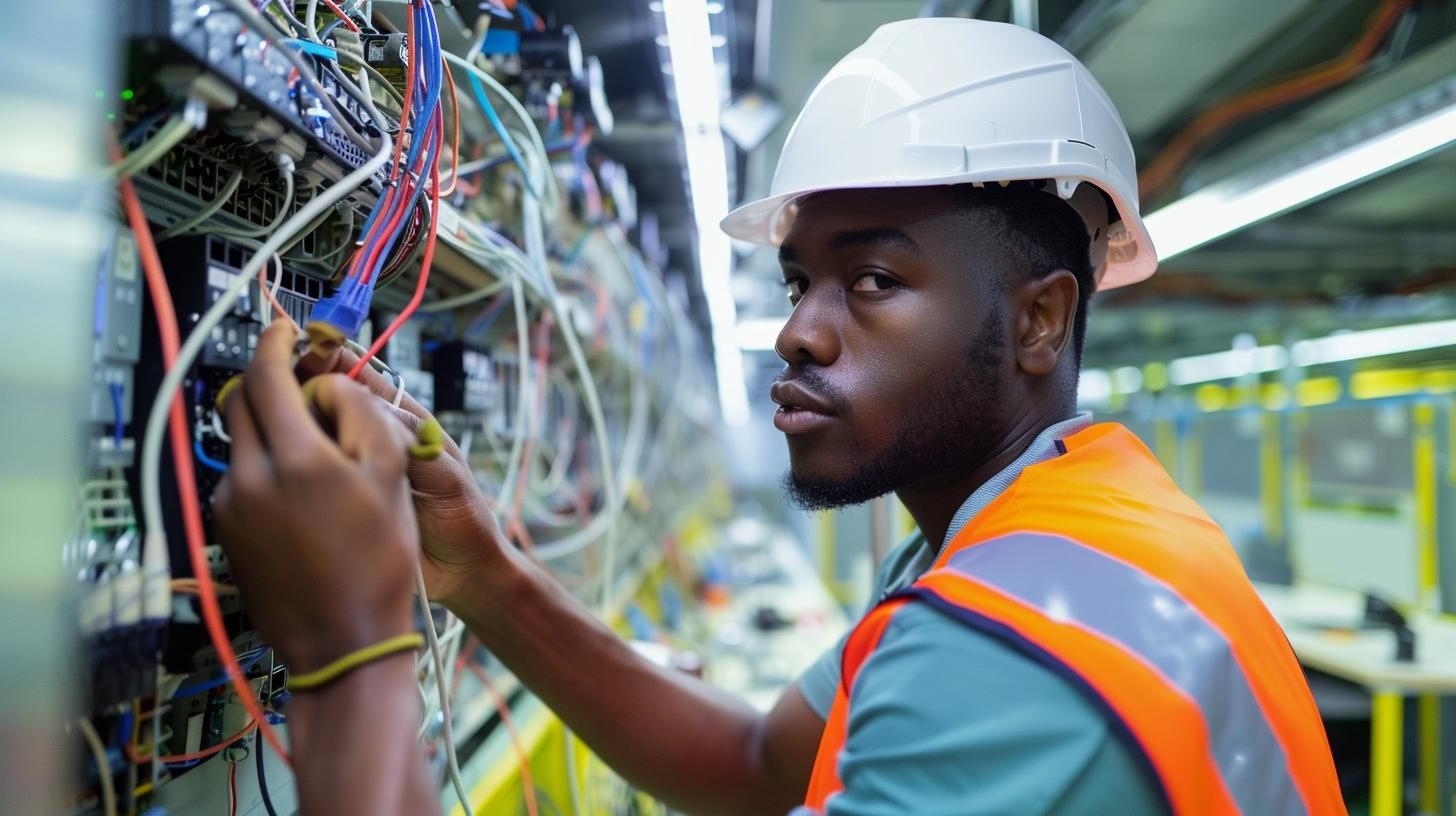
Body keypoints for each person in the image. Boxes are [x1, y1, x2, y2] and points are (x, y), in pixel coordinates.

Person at [216, 18, 1346, 816]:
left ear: (1041, 320)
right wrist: (482, 574)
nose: (798, 333)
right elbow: (761, 767)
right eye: (794, 282)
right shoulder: (1041, 535)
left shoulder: (1019, 654)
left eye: (871, 282)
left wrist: (346, 648)